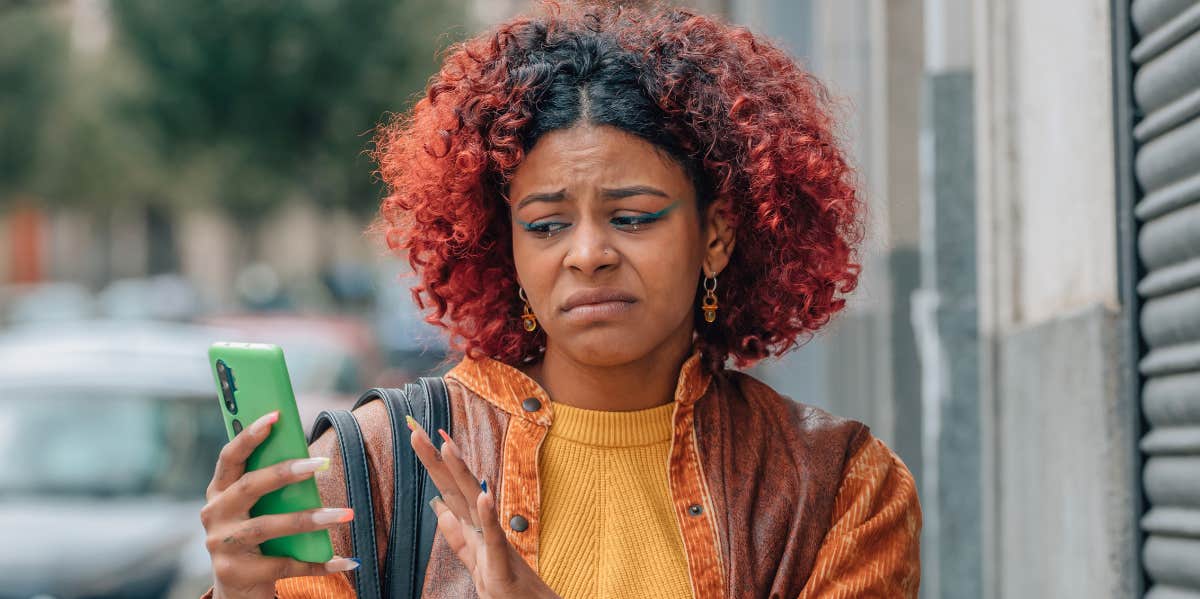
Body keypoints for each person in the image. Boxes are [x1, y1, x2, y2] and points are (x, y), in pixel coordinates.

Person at [199, 3, 921, 598]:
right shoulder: (377, 469)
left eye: (633, 216)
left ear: (719, 236)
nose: (587, 253)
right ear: (502, 246)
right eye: (546, 225)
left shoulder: (836, 487)